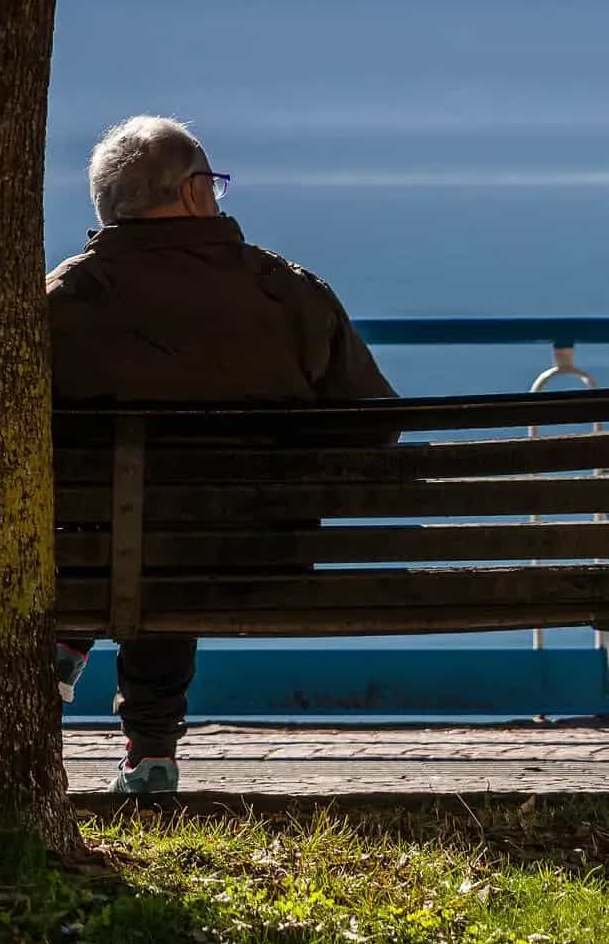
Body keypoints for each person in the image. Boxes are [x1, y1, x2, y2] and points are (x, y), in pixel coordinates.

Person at [47, 115, 393, 795]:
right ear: (195, 191)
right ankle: (150, 752)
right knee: (176, 529)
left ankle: (71, 647)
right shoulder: (285, 290)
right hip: (260, 558)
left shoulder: (66, 297)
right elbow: (375, 427)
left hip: (104, 562)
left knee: (137, 531)